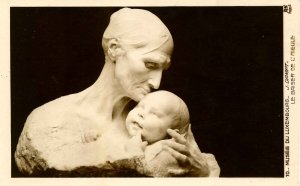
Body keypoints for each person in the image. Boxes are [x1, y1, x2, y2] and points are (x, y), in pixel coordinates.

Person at [15, 7, 220, 177]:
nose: (157, 83)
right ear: (114, 49)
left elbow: (195, 165)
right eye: (150, 64)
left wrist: (202, 172)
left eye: (163, 70)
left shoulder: (156, 125)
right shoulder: (49, 119)